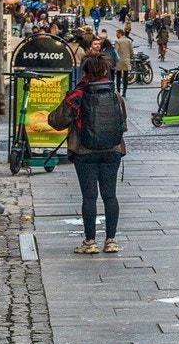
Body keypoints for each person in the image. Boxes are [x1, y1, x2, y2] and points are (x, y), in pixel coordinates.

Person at [46, 53, 127, 254]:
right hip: (112, 151)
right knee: (110, 196)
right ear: (105, 71)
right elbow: (123, 125)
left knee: (89, 197)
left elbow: (56, 121)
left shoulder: (77, 95)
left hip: (84, 152)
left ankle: (90, 242)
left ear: (85, 72)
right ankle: (111, 241)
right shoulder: (116, 96)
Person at [112, 28, 134, 95]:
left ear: (120, 34)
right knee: (125, 76)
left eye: (117, 34)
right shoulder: (129, 41)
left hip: (119, 61)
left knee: (118, 76)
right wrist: (130, 57)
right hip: (126, 60)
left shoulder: (117, 41)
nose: (116, 35)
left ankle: (118, 91)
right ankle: (124, 91)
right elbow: (131, 51)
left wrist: (114, 60)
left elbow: (115, 52)